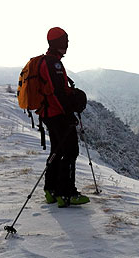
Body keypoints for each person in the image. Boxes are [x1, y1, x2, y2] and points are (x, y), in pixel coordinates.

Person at [39, 27, 89, 208]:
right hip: (58, 114)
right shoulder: (54, 65)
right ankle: (66, 193)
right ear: (57, 43)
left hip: (48, 114)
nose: (67, 44)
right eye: (65, 41)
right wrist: (69, 113)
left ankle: (50, 190)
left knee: (57, 151)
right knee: (70, 152)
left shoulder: (47, 62)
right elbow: (57, 93)